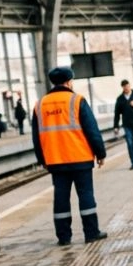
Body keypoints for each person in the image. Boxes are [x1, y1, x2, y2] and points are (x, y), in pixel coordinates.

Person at [32, 66, 108, 246]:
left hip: (55, 160)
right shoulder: (76, 100)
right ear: (69, 81)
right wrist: (100, 153)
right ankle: (91, 233)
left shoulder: (40, 104)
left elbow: (36, 137)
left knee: (60, 198)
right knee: (86, 194)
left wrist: (42, 159)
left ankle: (64, 237)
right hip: (80, 157)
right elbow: (92, 130)